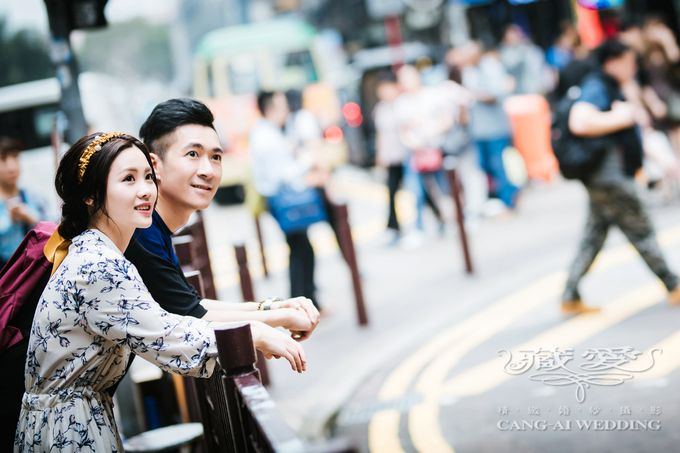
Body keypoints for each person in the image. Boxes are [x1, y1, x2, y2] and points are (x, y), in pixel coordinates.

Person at [13, 132, 307, 452]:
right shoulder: (97, 267)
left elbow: (167, 320)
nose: (145, 191)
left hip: (70, 423)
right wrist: (254, 334)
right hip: (69, 434)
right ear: (91, 196)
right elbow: (168, 336)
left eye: (148, 177)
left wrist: (264, 320)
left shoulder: (97, 252)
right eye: (128, 179)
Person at [134, 98, 320, 332]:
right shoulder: (140, 230)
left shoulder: (154, 227)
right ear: (155, 164)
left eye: (216, 157)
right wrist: (280, 319)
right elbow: (192, 315)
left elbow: (193, 305)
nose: (208, 170)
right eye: (192, 154)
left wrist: (276, 309)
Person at [561, 39, 680, 314]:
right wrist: (624, 117)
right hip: (609, 177)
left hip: (603, 177)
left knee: (593, 236)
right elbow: (579, 122)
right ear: (611, 62)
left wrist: (661, 160)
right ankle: (673, 284)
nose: (633, 67)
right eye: (628, 61)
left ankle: (570, 294)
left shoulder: (608, 86)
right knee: (641, 230)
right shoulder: (598, 86)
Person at [250, 91, 328, 309]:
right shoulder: (267, 137)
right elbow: (282, 175)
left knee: (300, 249)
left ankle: (306, 300)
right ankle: (300, 302)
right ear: (270, 109)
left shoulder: (266, 133)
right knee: (300, 250)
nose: (286, 111)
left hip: (279, 199)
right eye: (282, 106)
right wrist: (307, 160)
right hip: (283, 200)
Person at [0, 138, 49, 268]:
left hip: (33, 268)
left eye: (15, 158)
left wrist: (31, 218)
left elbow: (52, 227)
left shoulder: (33, 196)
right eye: (3, 160)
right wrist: (9, 221)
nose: (11, 167)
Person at [373, 74, 409, 245]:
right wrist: (380, 155)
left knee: (419, 190)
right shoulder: (380, 109)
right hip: (392, 157)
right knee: (392, 191)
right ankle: (393, 226)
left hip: (408, 154)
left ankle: (439, 216)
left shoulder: (403, 104)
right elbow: (381, 135)